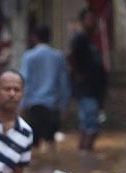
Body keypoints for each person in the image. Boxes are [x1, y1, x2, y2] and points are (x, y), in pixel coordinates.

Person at [20, 26, 70, 151]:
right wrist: (64, 106)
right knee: (50, 142)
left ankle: (35, 169)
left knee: (33, 144)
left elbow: (25, 82)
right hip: (52, 105)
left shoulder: (29, 56)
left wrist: (22, 104)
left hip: (34, 105)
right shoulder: (58, 56)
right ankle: (51, 168)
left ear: (34, 38)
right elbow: (64, 83)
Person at [68, 8, 107, 151]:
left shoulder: (93, 41)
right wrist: (77, 74)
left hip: (94, 90)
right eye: (89, 19)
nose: (93, 22)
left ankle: (85, 156)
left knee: (87, 126)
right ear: (83, 22)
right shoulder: (80, 38)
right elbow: (70, 55)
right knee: (91, 127)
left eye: (94, 19)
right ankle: (87, 158)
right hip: (86, 89)